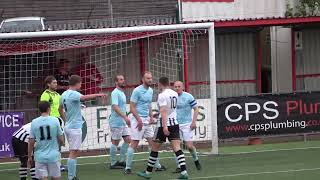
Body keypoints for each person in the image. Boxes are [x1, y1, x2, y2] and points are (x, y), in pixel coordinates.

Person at [137, 77, 188, 179]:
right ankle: (184, 172)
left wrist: (164, 126)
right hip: (175, 123)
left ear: (160, 84)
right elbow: (169, 110)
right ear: (168, 83)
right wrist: (158, 114)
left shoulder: (162, 95)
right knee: (177, 148)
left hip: (163, 125)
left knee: (154, 148)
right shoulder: (174, 93)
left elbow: (164, 111)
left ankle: (147, 173)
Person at [60, 75, 107, 180]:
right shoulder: (73, 93)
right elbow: (84, 98)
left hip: (68, 126)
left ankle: (73, 175)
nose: (81, 85)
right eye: (81, 83)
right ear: (77, 83)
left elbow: (60, 109)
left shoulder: (63, 94)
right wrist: (98, 95)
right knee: (73, 152)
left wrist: (65, 119)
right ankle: (71, 177)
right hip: (74, 127)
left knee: (74, 151)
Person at [125, 71, 165, 174]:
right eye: (147, 78)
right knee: (134, 143)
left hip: (146, 120)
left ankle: (158, 165)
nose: (150, 80)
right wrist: (139, 120)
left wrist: (151, 116)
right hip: (137, 120)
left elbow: (149, 104)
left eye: (151, 78)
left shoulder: (151, 90)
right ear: (143, 79)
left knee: (153, 143)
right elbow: (132, 107)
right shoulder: (137, 91)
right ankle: (127, 168)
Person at [27, 101, 65, 180]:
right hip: (53, 155)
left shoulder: (34, 122)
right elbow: (61, 138)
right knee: (56, 177)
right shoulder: (55, 120)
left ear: (39, 110)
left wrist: (29, 156)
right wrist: (62, 143)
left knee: (43, 177)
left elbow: (31, 141)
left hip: (40, 156)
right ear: (49, 109)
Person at [40, 76, 67, 171]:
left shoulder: (57, 95)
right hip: (50, 121)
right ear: (48, 84)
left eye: (56, 83)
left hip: (58, 121)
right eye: (54, 83)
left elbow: (61, 108)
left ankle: (57, 164)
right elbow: (43, 109)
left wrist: (65, 120)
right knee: (53, 143)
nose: (56, 84)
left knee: (58, 143)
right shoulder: (45, 95)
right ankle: (55, 165)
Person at [173, 81, 201, 172]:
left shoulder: (188, 96)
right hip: (175, 124)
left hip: (187, 125)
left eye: (179, 86)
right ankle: (179, 166)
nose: (177, 88)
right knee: (177, 145)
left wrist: (193, 122)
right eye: (175, 86)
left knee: (189, 146)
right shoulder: (172, 97)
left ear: (183, 87)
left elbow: (196, 109)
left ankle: (196, 159)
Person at [109, 74, 131, 169]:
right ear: (116, 82)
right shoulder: (115, 93)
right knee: (115, 142)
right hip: (116, 121)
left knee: (128, 139)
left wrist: (125, 118)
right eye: (121, 80)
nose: (123, 81)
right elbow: (115, 106)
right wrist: (125, 117)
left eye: (123, 79)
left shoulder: (122, 92)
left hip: (122, 121)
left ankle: (122, 160)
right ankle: (113, 163)